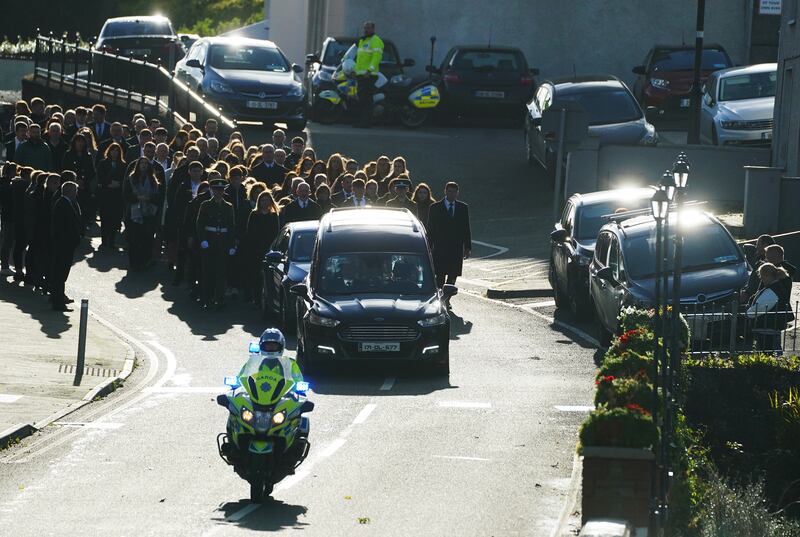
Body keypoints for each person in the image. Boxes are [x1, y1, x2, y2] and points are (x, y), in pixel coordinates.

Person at [196, 176, 236, 309]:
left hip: (222, 242)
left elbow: (231, 226)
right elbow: (200, 224)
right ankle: (206, 298)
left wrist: (231, 245)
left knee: (221, 272)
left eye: (221, 190)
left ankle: (219, 298)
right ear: (212, 190)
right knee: (207, 272)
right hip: (210, 240)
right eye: (216, 189)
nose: (219, 192)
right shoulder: (206, 205)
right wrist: (203, 240)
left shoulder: (228, 206)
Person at [427, 181, 472, 292]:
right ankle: (441, 297)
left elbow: (466, 228)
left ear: (457, 193)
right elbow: (431, 229)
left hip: (456, 247)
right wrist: (428, 246)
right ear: (445, 191)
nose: (452, 194)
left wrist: (467, 247)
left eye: (454, 192)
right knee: (440, 276)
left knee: (453, 275)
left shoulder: (462, 207)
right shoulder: (435, 207)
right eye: (449, 191)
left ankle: (447, 299)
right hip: (440, 247)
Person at [746, 262, 795, 353]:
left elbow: (759, 308)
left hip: (767, 328)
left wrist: (748, 313)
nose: (762, 280)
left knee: (768, 352)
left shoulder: (772, 291)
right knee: (774, 351)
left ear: (766, 275)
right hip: (771, 328)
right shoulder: (777, 287)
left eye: (762, 276)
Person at [243, 190, 280, 304]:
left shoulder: (273, 216)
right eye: (262, 200)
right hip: (254, 249)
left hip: (268, 249)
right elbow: (249, 232)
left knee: (266, 276)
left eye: (267, 200)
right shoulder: (254, 214)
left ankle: (266, 299)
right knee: (254, 274)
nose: (265, 203)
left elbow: (276, 233)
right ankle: (254, 298)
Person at [123, 158, 161, 270]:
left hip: (149, 212)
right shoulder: (131, 178)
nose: (144, 165)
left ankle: (144, 262)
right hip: (134, 212)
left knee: (147, 238)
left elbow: (158, 196)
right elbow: (126, 194)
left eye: (146, 164)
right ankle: (134, 262)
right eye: (142, 163)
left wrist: (149, 198)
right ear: (138, 165)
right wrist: (137, 197)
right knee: (134, 238)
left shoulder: (153, 180)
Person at [49, 181, 82, 311]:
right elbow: (65, 226)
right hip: (64, 245)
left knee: (60, 272)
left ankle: (57, 298)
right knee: (60, 272)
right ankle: (58, 302)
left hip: (64, 244)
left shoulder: (64, 203)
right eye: (75, 191)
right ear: (71, 192)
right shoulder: (63, 204)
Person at [62, 132, 96, 229]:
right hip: (70, 186)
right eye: (78, 141)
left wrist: (83, 181)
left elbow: (91, 172)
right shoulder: (68, 155)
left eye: (82, 142)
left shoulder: (88, 156)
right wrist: (74, 181)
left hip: (84, 187)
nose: (80, 144)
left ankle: (82, 226)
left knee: (84, 208)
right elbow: (65, 170)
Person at [96, 142, 126, 250]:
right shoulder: (103, 163)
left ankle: (112, 241)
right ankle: (104, 240)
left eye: (117, 150)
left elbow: (124, 178)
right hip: (106, 194)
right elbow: (100, 177)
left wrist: (118, 184)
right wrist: (109, 183)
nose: (114, 152)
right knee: (105, 218)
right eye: (113, 150)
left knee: (115, 219)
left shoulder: (123, 165)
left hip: (117, 196)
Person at [354, 21, 384, 128]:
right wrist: (355, 70)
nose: (365, 30)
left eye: (368, 28)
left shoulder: (376, 41)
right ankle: (361, 121)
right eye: (364, 28)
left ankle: (365, 122)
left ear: (373, 29)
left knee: (366, 100)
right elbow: (360, 59)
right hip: (361, 75)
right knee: (362, 99)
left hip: (369, 76)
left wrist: (369, 70)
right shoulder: (363, 41)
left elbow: (376, 58)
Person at [0, 162, 15, 275]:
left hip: (4, 214)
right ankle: (4, 265)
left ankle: (3, 263)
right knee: (7, 241)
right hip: (8, 215)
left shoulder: (3, 182)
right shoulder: (8, 185)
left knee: (4, 239)